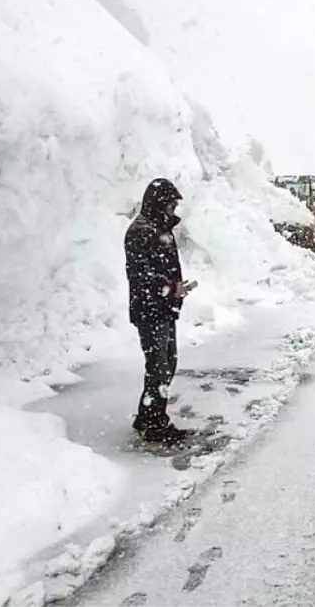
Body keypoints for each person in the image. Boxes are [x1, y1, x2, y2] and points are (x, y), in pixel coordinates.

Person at [124, 178, 198, 444]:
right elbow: (140, 274)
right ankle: (153, 422)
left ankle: (148, 416)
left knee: (166, 363)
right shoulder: (141, 231)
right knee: (159, 366)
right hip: (150, 310)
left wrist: (175, 288)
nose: (173, 210)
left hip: (162, 308)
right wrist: (168, 288)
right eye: (171, 204)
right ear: (159, 204)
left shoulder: (157, 228)